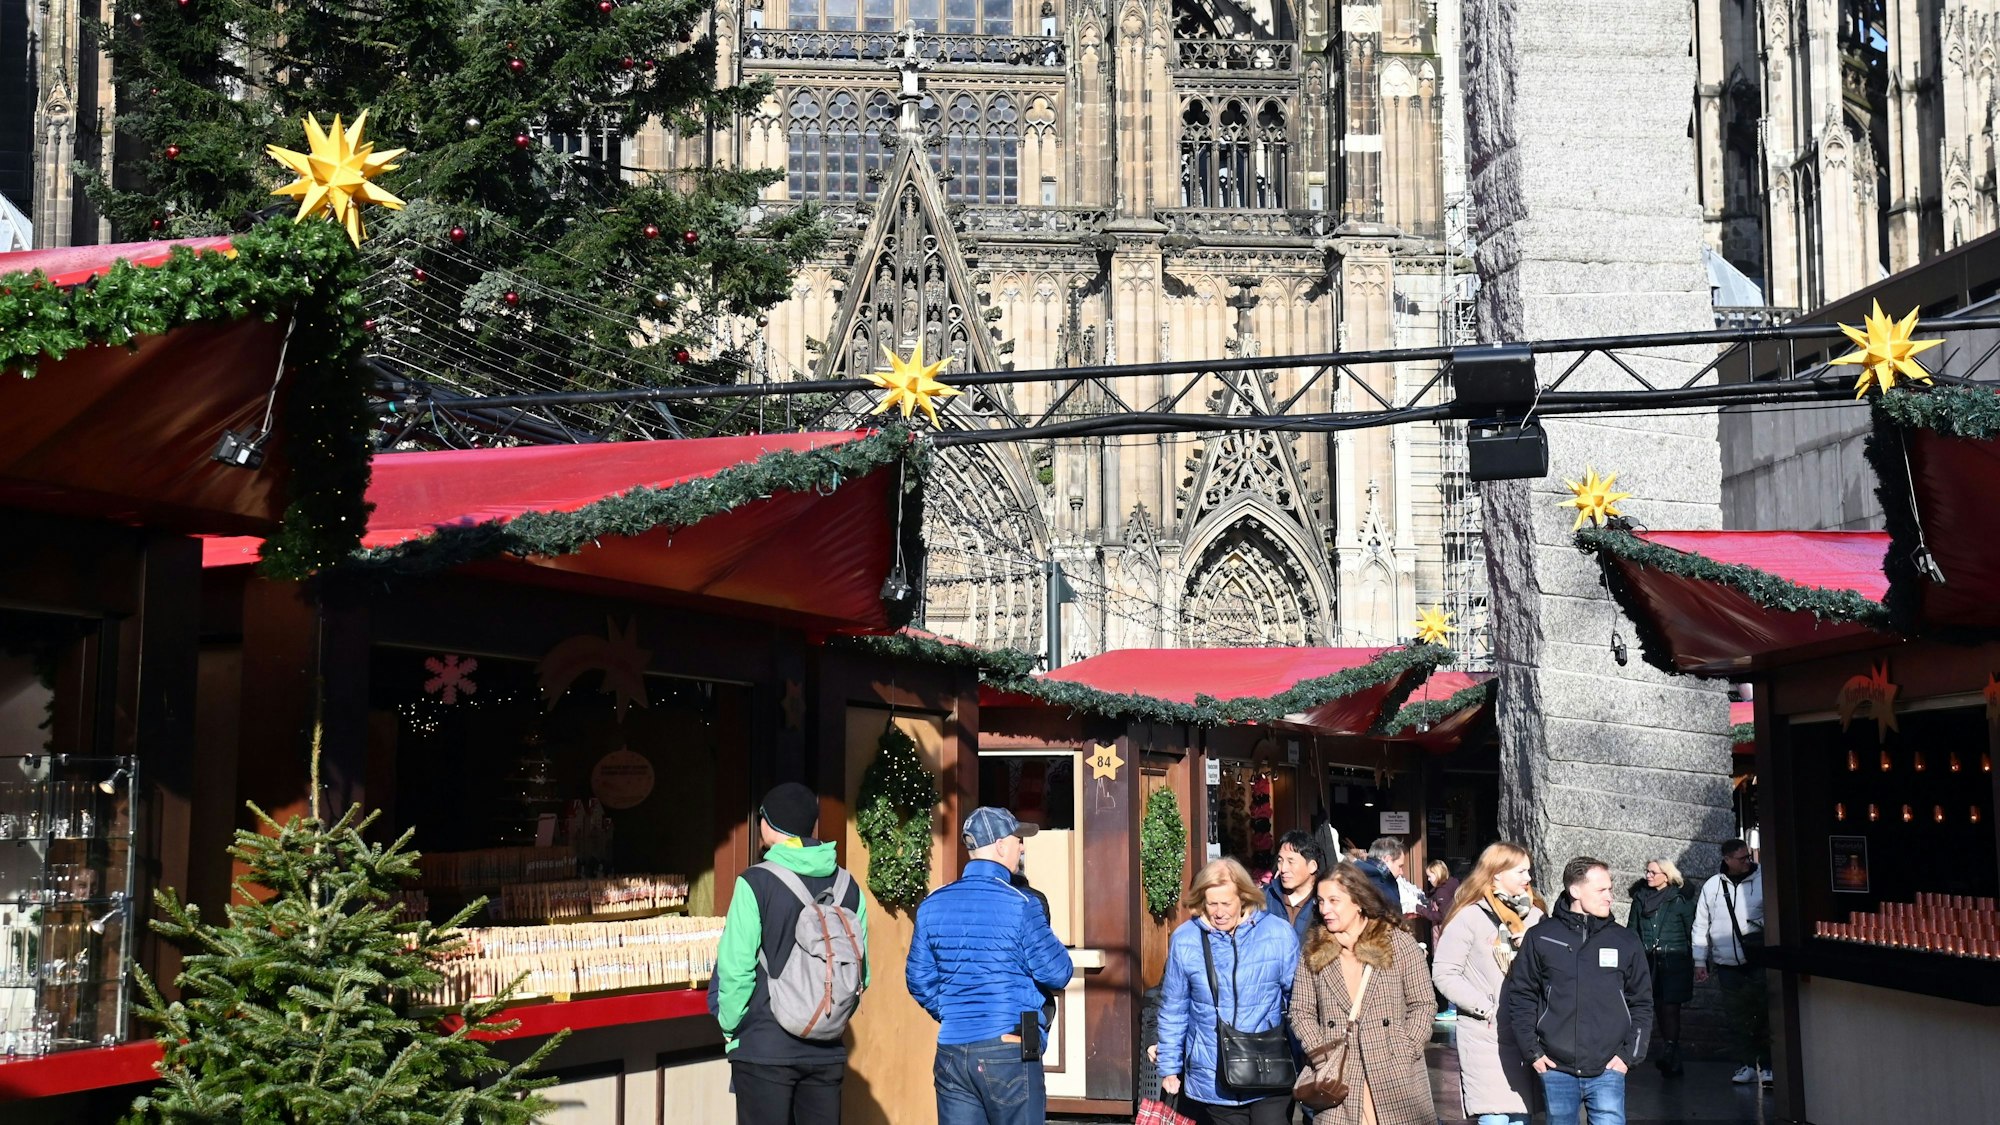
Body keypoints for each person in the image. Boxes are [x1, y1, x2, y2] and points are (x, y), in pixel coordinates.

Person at [907, 807, 1074, 1125]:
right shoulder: (1021, 904)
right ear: (1000, 845)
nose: (1021, 847)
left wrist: (954, 1011)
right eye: (1017, 840)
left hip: (953, 1049)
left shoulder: (933, 904)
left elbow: (919, 978)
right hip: (1007, 1049)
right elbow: (1058, 971)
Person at [715, 782, 869, 1125]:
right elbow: (861, 972)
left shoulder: (755, 882)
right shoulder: (849, 886)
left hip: (764, 1046)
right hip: (826, 1050)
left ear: (768, 824)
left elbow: (736, 967)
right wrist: (832, 1018)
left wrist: (731, 1028)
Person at [1502, 857, 1653, 1125]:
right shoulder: (1541, 937)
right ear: (1575, 891)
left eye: (1610, 889)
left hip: (1609, 1066)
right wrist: (1532, 1052)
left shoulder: (1625, 940)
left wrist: (1629, 1056)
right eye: (1601, 890)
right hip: (1556, 1066)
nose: (1610, 896)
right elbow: (1522, 996)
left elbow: (1641, 1002)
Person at [1156, 858, 1301, 1125]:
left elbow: (1299, 1002)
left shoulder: (1278, 934)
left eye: (1226, 903)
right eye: (1212, 904)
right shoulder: (1185, 939)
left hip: (1269, 1066)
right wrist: (1169, 1067)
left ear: (1244, 898)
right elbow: (1174, 1009)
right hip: (1212, 1071)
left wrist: (1312, 1059)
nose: (1219, 912)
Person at [1289, 862, 1437, 1125]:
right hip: (1339, 1075)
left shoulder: (1397, 942)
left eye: (1334, 900)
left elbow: (1423, 1003)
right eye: (1321, 901)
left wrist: (1406, 1047)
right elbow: (1301, 1010)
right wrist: (1321, 1054)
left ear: (1358, 902)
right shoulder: (1315, 950)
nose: (1325, 910)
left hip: (1394, 1072)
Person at [1431, 842, 1546, 1125]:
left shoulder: (1536, 917)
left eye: (1528, 871)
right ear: (1496, 874)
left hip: (1527, 1033)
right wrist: (1485, 1007)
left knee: (1521, 1117)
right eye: (1520, 871)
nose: (1528, 878)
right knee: (1494, 1117)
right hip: (1485, 1035)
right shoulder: (1469, 916)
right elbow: (1445, 972)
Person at [1692, 839, 1768, 1085]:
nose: (1747, 861)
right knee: (1736, 1017)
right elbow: (1701, 924)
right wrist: (1699, 961)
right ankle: (1745, 1064)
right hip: (1726, 962)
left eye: (1748, 856)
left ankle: (1767, 1065)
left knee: (1764, 1014)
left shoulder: (1762, 880)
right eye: (1741, 858)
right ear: (1727, 859)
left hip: (1758, 959)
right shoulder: (1713, 886)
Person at [1626, 858, 1697, 1078]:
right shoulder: (1640, 899)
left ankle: (1670, 1050)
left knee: (1670, 1008)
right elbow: (1632, 930)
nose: (1647, 875)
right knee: (1657, 1006)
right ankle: (1672, 1058)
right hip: (1648, 962)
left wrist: (1698, 960)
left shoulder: (1679, 900)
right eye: (1646, 871)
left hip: (1674, 962)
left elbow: (1692, 931)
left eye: (1653, 872)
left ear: (1666, 875)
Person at [1264, 830, 1326, 943]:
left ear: (1312, 866)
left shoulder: (1324, 902)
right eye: (1280, 861)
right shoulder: (1266, 896)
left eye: (1291, 862)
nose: (1283, 869)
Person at [1352, 837, 1404, 915]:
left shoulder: (1354, 872)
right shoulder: (1378, 881)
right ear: (1387, 859)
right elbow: (1393, 917)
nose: (1401, 872)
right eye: (1400, 866)